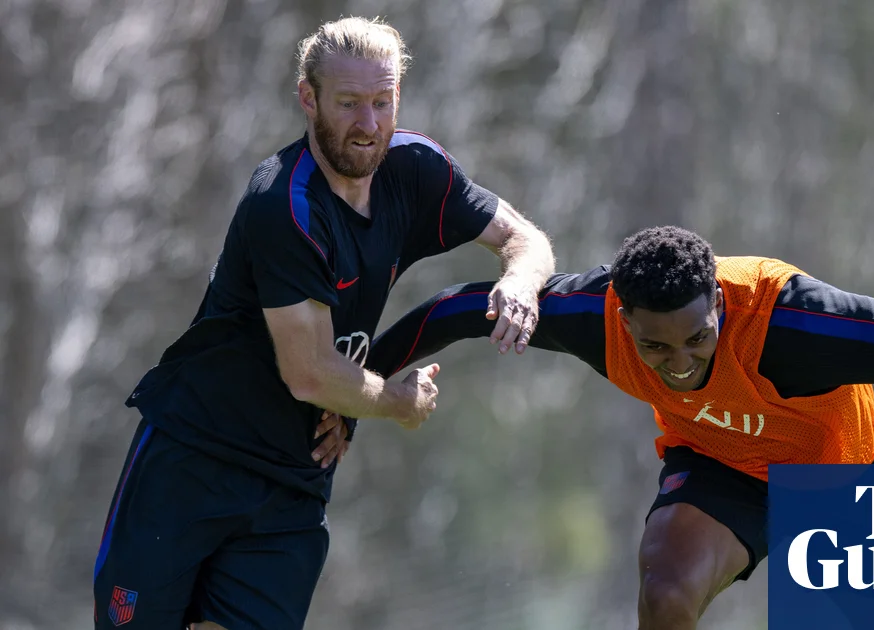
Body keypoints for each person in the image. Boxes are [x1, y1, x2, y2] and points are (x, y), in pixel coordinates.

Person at [354, 225, 874, 630]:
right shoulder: (587, 317)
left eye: (696, 339)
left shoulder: (797, 326)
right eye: (656, 347)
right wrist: (354, 397)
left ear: (720, 308)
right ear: (622, 317)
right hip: (718, 466)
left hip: (841, 481)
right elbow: (455, 310)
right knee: (665, 592)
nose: (679, 363)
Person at [92, 16, 555, 630]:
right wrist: (395, 402)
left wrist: (519, 282)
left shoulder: (417, 168)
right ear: (307, 98)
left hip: (294, 475)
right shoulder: (286, 204)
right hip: (194, 457)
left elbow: (526, 239)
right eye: (348, 103)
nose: (368, 125)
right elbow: (309, 373)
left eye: (382, 102)